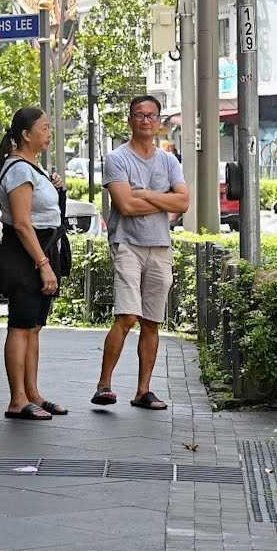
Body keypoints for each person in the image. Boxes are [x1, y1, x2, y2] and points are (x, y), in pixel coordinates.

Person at [92, 95, 189, 411]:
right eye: (139, 115)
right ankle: (104, 385)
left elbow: (184, 202)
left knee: (151, 321)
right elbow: (126, 206)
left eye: (151, 115)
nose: (145, 120)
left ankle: (143, 390)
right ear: (130, 120)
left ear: (158, 121)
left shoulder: (169, 161)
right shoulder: (117, 159)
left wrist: (147, 194)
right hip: (128, 244)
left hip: (160, 246)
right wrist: (164, 199)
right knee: (127, 316)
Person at [0, 107, 67, 421]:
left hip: (40, 251)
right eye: (45, 128)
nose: (49, 133)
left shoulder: (31, 167)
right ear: (26, 134)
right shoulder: (19, 170)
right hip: (27, 255)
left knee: (34, 328)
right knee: (21, 327)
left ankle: (33, 393)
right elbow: (23, 223)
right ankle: (17, 399)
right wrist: (43, 263)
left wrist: (56, 188)